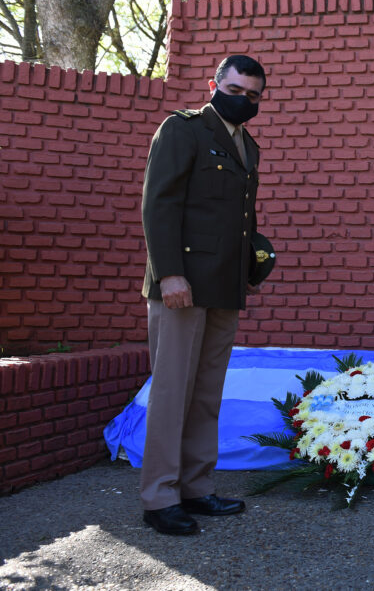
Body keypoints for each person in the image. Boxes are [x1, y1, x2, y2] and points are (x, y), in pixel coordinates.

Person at [139, 55, 268, 536]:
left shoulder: (246, 146)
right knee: (172, 393)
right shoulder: (182, 129)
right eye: (235, 90)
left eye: (253, 95)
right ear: (214, 84)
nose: (244, 101)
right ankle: (159, 498)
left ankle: (195, 488)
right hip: (182, 285)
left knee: (206, 394)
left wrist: (252, 264)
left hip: (222, 285)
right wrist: (169, 274)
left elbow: (239, 220)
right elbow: (159, 204)